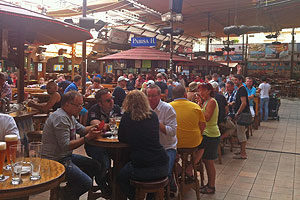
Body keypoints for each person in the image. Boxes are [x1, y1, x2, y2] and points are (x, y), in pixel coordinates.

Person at [41, 91, 105, 200]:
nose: (81, 108)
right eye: (78, 105)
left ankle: (72, 189)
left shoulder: (69, 116)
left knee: (95, 165)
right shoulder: (61, 118)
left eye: (82, 105)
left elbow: (83, 129)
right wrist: (87, 138)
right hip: (55, 160)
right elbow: (66, 146)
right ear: (66, 104)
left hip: (65, 156)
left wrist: (99, 126)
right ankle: (63, 194)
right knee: (86, 183)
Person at [117, 90, 169, 200]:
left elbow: (121, 138)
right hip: (163, 164)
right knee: (152, 185)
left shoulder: (127, 116)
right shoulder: (153, 115)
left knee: (121, 177)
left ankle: (135, 197)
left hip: (142, 166)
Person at [146, 84, 177, 193]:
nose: (150, 99)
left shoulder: (167, 108)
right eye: (148, 96)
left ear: (160, 96)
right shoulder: (145, 109)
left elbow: (172, 132)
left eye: (153, 96)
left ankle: (166, 188)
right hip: (151, 148)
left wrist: (156, 123)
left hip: (167, 147)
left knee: (164, 171)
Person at [170, 85, 206, 178]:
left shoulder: (168, 107)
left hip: (175, 143)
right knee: (203, 146)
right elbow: (202, 126)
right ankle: (190, 167)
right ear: (185, 95)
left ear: (173, 96)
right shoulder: (196, 107)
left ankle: (178, 168)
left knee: (168, 150)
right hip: (193, 142)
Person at [198, 83, 220, 194]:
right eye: (200, 91)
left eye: (203, 90)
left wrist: (197, 109)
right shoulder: (206, 102)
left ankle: (211, 186)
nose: (201, 93)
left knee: (209, 162)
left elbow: (207, 117)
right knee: (206, 161)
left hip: (211, 134)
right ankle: (208, 184)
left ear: (209, 91)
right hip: (206, 133)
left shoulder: (211, 101)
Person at [233, 74, 250, 159]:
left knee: (241, 134)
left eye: (236, 80)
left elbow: (244, 103)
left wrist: (237, 113)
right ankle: (241, 151)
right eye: (234, 80)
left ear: (240, 80)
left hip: (242, 115)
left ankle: (243, 154)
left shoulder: (242, 89)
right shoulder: (240, 89)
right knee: (240, 133)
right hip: (241, 114)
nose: (235, 81)